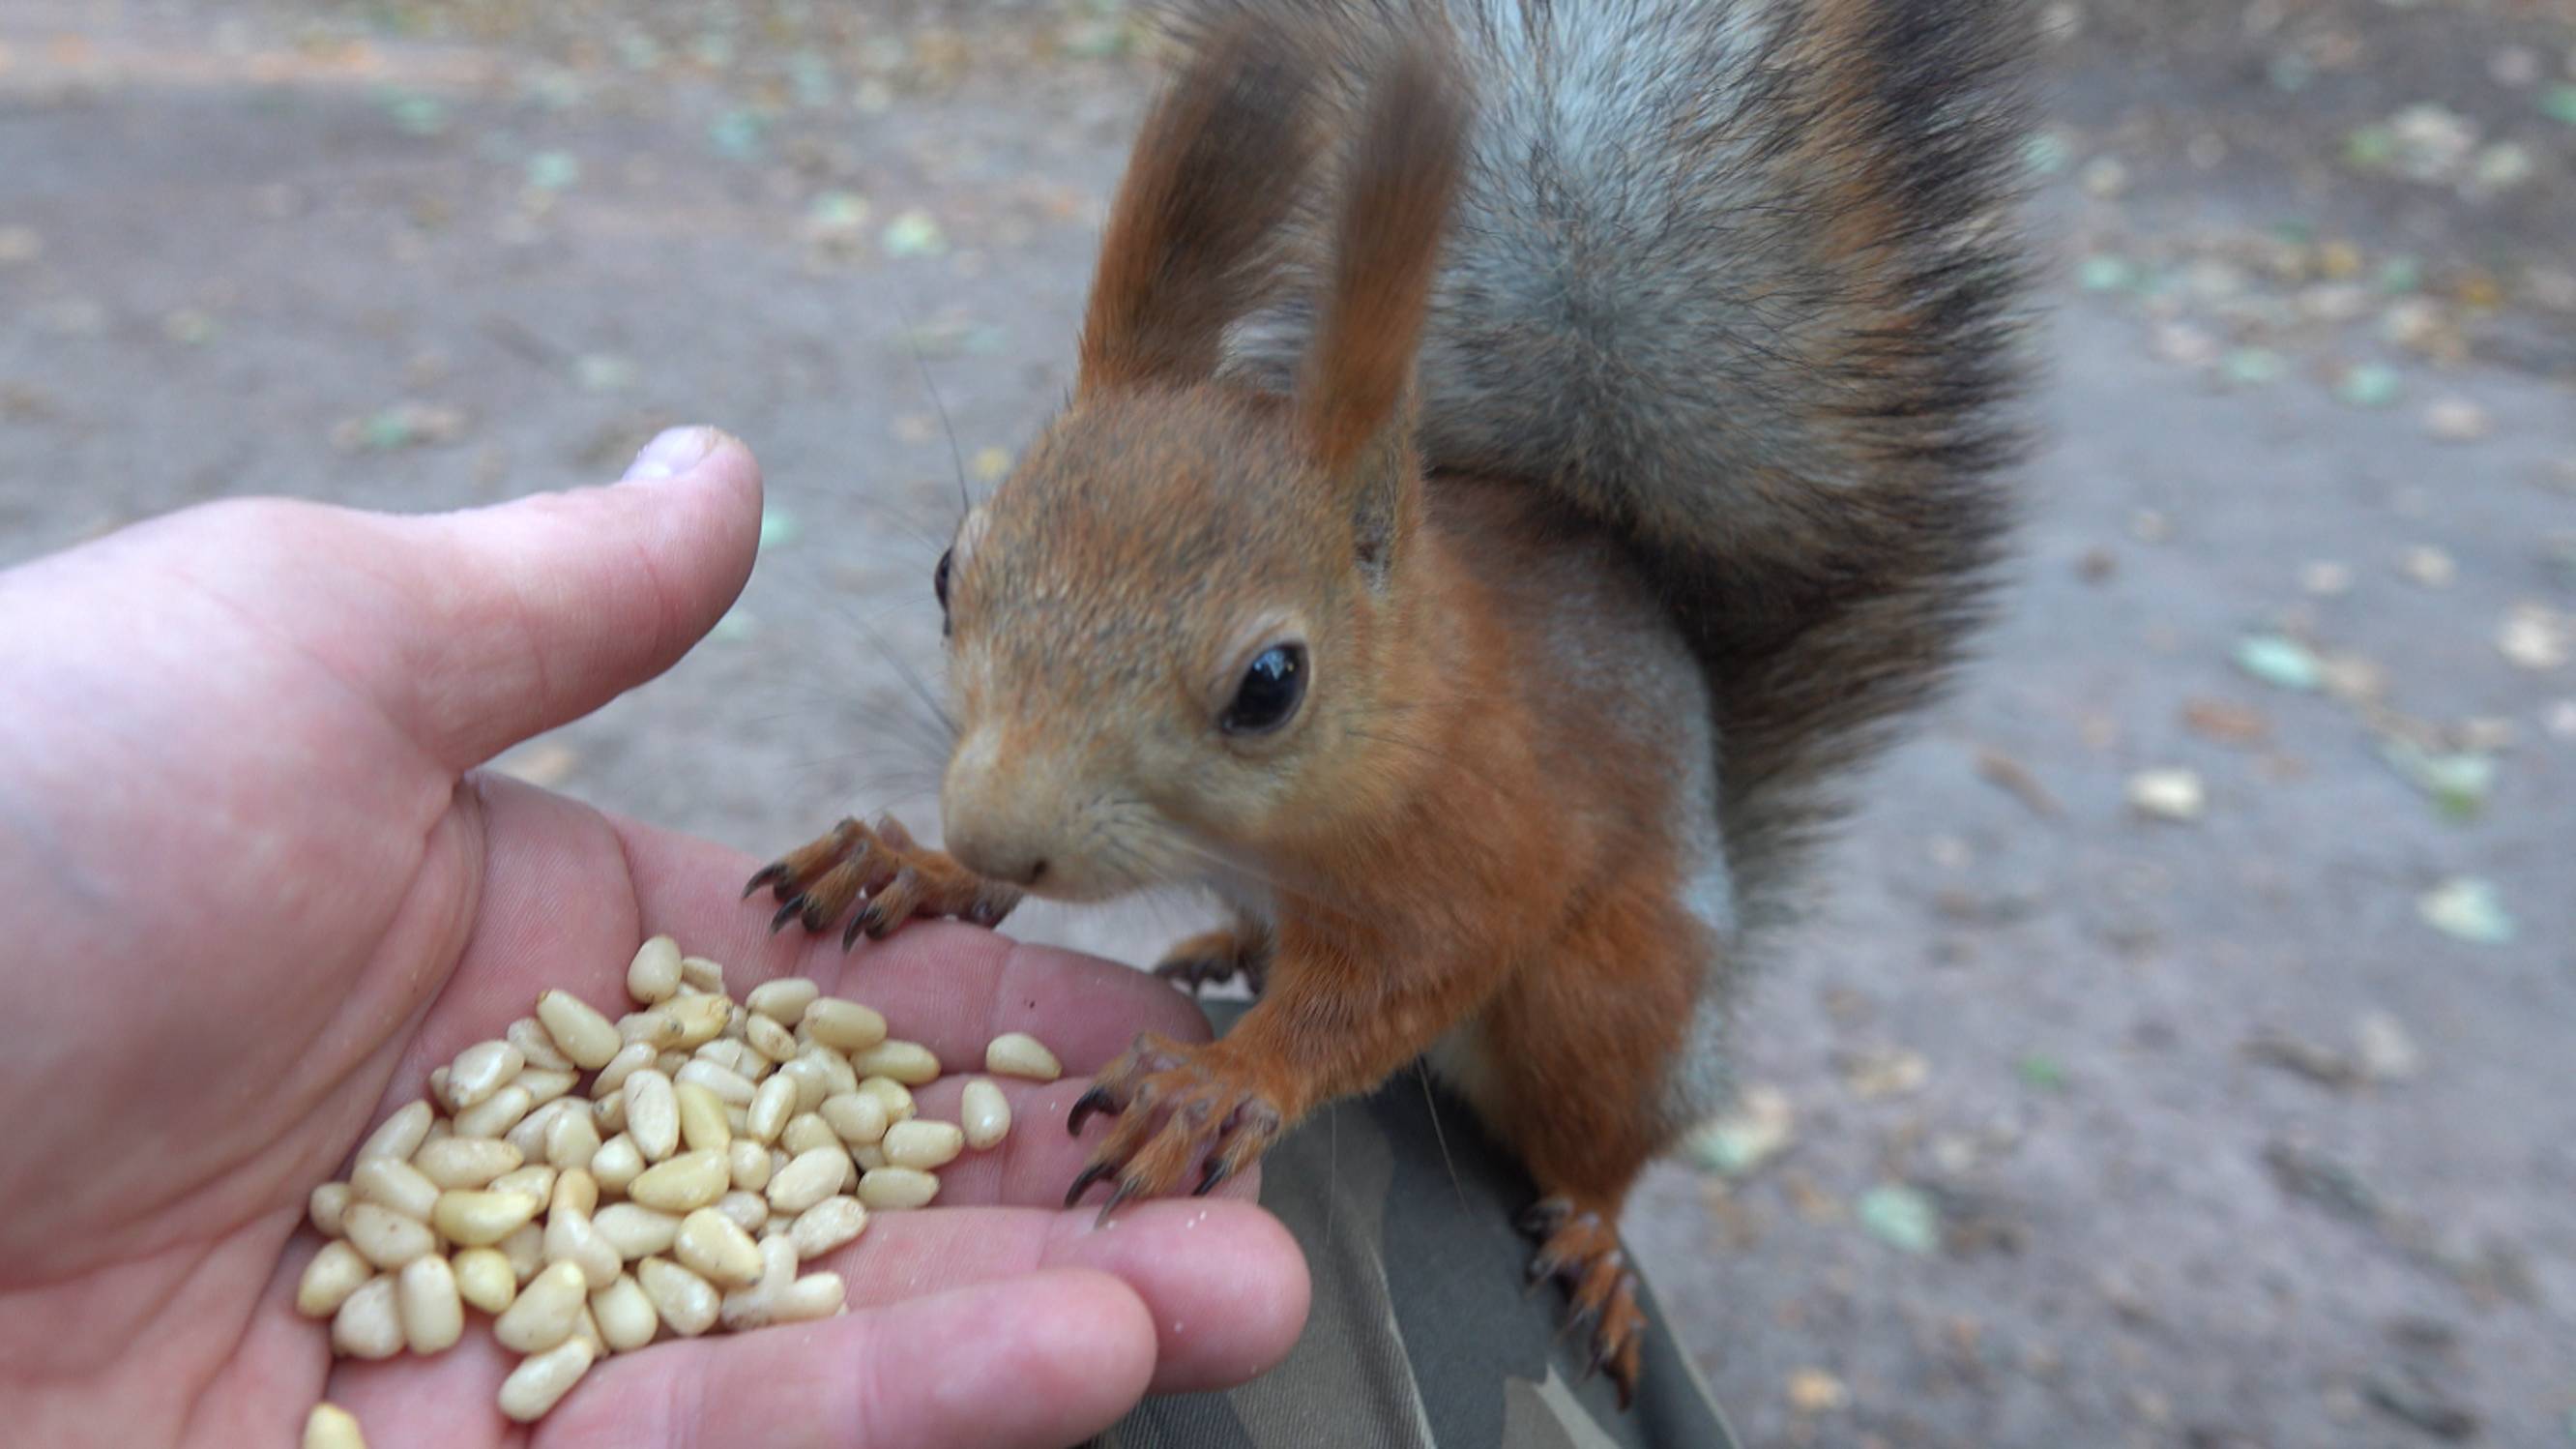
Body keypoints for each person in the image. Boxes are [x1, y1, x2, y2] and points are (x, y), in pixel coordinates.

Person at [0, 428, 1735, 1447]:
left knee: (1582, 1031)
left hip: (1563, 948)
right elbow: (1101, 794)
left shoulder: (1450, 739)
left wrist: (1266, 1065)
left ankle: (1586, 1198)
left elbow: (1458, 921)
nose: (987, 797)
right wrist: (960, 871)